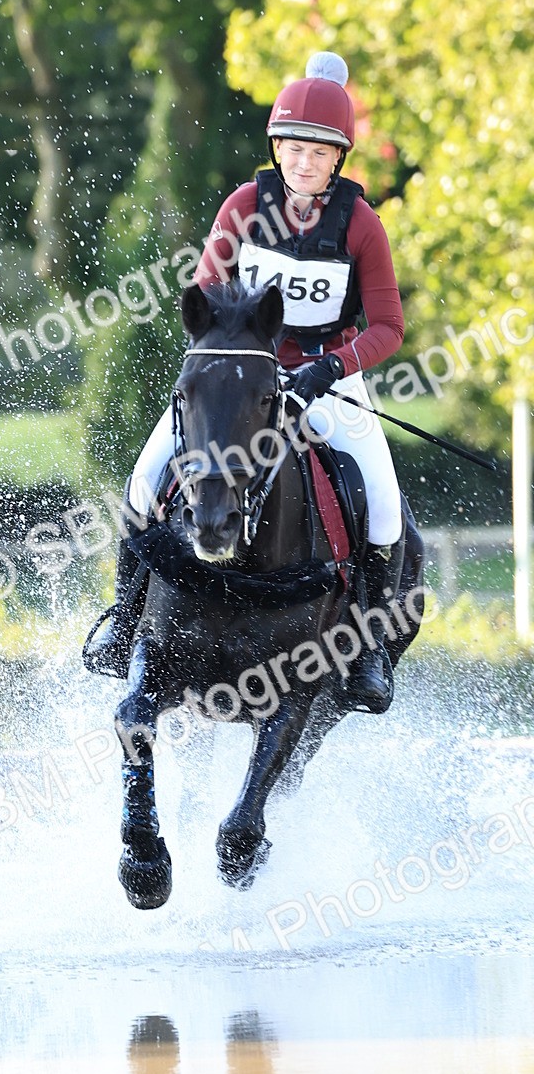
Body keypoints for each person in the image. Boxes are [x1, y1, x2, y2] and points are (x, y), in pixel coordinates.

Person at [87, 52, 405, 713]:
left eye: (318, 154)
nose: (303, 163)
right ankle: (124, 623)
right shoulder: (243, 206)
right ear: (278, 149)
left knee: (380, 504)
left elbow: (389, 329)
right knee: (146, 483)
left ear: (337, 161)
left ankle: (369, 650)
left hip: (327, 376)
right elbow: (206, 290)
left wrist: (327, 368)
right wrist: (232, 355)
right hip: (241, 376)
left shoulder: (361, 225)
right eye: (293, 149)